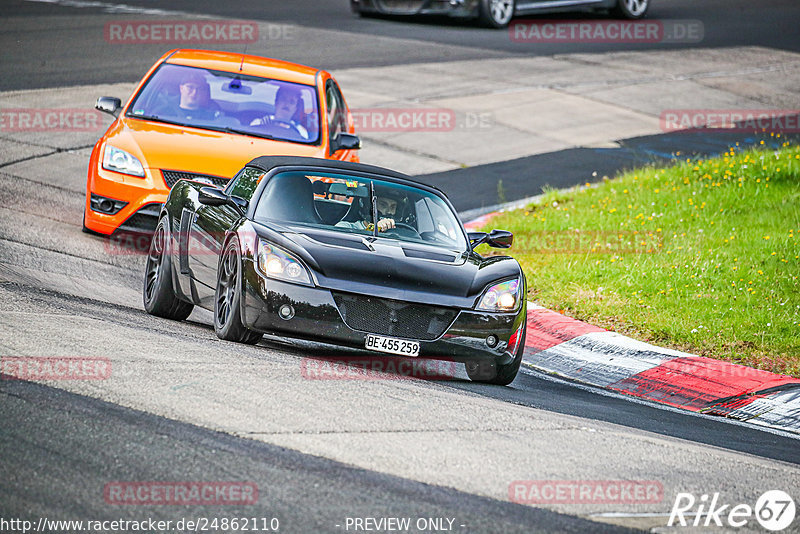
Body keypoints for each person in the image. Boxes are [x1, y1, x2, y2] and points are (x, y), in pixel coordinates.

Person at [335, 189, 402, 232]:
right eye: (383, 205)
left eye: (393, 207)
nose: (389, 211)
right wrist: (374, 229)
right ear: (369, 206)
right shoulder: (345, 227)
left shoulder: (401, 234)